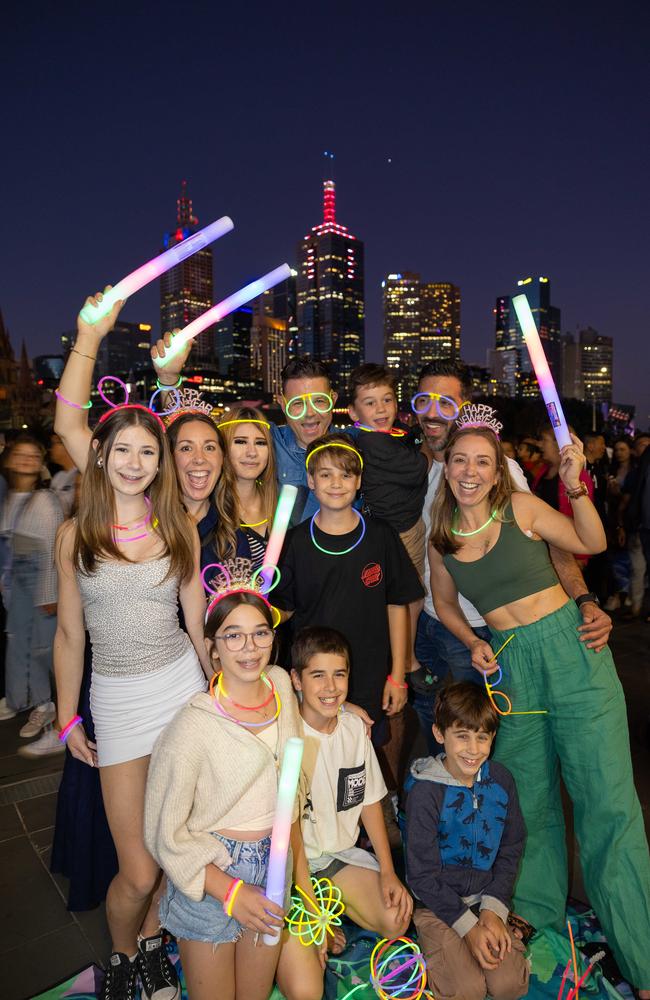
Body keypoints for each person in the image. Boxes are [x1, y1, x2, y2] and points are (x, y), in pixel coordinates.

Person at [428, 415, 650, 993]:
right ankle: (539, 918)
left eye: (482, 461)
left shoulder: (520, 509)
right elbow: (445, 603)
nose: (470, 471)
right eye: (460, 460)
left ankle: (643, 950)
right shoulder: (441, 535)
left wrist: (576, 483)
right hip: (511, 668)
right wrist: (474, 641)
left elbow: (591, 543)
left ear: (497, 468)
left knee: (606, 802)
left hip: (571, 652)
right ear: (445, 467)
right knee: (530, 805)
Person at [53, 290, 212, 1000]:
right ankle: (123, 951)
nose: (136, 461)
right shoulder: (75, 534)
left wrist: (218, 691)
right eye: (123, 448)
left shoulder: (177, 526)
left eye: (149, 451)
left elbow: (197, 616)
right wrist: (67, 716)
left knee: (176, 848)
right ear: (103, 456)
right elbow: (68, 634)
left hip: (180, 688)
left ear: (160, 463)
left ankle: (152, 944)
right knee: (139, 868)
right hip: (116, 700)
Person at [410, 360, 612, 752]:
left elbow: (547, 539)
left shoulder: (501, 472)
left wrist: (583, 598)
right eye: (425, 400)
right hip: (430, 623)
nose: (434, 411)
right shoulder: (412, 465)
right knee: (437, 732)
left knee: (486, 740)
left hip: (486, 631)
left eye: (446, 402)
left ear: (464, 405)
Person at [144, 589, 303, 1000]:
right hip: (215, 874)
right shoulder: (191, 728)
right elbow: (163, 834)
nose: (249, 648)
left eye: (260, 633)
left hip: (274, 865)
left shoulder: (282, 686)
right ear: (212, 648)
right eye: (233, 636)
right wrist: (229, 891)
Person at [276, 626, 413, 1000]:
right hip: (289, 872)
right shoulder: (287, 738)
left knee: (397, 918)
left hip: (335, 859)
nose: (331, 687)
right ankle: (311, 921)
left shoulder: (354, 728)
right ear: (296, 680)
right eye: (317, 675)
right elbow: (290, 837)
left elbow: (369, 801)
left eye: (339, 674)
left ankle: (332, 912)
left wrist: (387, 871)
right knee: (305, 990)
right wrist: (311, 907)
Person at [273, 434, 423, 742]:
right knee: (319, 749)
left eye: (346, 474)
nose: (336, 483)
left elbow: (397, 605)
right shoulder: (296, 541)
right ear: (311, 481)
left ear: (358, 481)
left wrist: (397, 676)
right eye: (325, 475)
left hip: (368, 671)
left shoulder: (380, 536)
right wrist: (252, 609)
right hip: (314, 674)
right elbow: (284, 609)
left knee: (368, 746)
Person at [406, 683, 529, 1000]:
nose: (473, 749)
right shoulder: (424, 794)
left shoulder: (501, 781)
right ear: (439, 734)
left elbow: (511, 847)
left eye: (482, 737)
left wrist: (493, 909)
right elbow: (422, 876)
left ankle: (490, 931)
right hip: (435, 906)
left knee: (508, 986)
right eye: (462, 735)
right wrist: (468, 928)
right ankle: (440, 947)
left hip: (484, 900)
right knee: (467, 991)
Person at [0, 435, 63, 746]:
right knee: (23, 647)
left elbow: (52, 550)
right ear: (10, 460)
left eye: (33, 455)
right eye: (19, 454)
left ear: (40, 464)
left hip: (39, 586)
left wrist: (49, 595)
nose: (25, 460)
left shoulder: (44, 501)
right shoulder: (8, 498)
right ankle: (29, 701)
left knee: (43, 652)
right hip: (16, 587)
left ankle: (48, 708)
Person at [273, 357, 339, 522]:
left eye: (319, 401)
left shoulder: (357, 444)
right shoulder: (267, 443)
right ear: (282, 404)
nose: (309, 413)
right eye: (297, 404)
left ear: (333, 399)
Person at [215, 406, 277, 570]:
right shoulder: (210, 511)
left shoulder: (280, 504)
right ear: (224, 448)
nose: (252, 452)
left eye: (261, 443)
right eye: (240, 441)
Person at [603, 437, 636, 611]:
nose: (619, 453)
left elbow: (628, 497)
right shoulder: (612, 469)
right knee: (615, 558)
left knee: (627, 558)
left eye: (622, 449)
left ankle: (626, 594)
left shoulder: (635, 470)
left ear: (630, 451)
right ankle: (619, 593)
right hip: (612, 516)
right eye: (616, 449)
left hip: (628, 519)